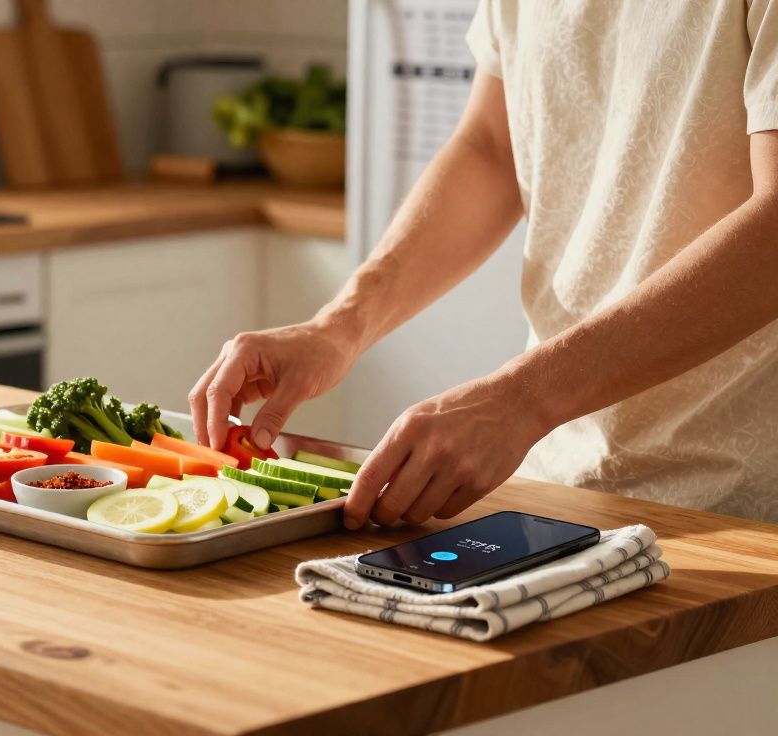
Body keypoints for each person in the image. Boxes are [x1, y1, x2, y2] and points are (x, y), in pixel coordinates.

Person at [190, 0, 778, 528]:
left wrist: (524, 399)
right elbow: (493, 148)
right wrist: (337, 327)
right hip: (561, 485)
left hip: (741, 506)